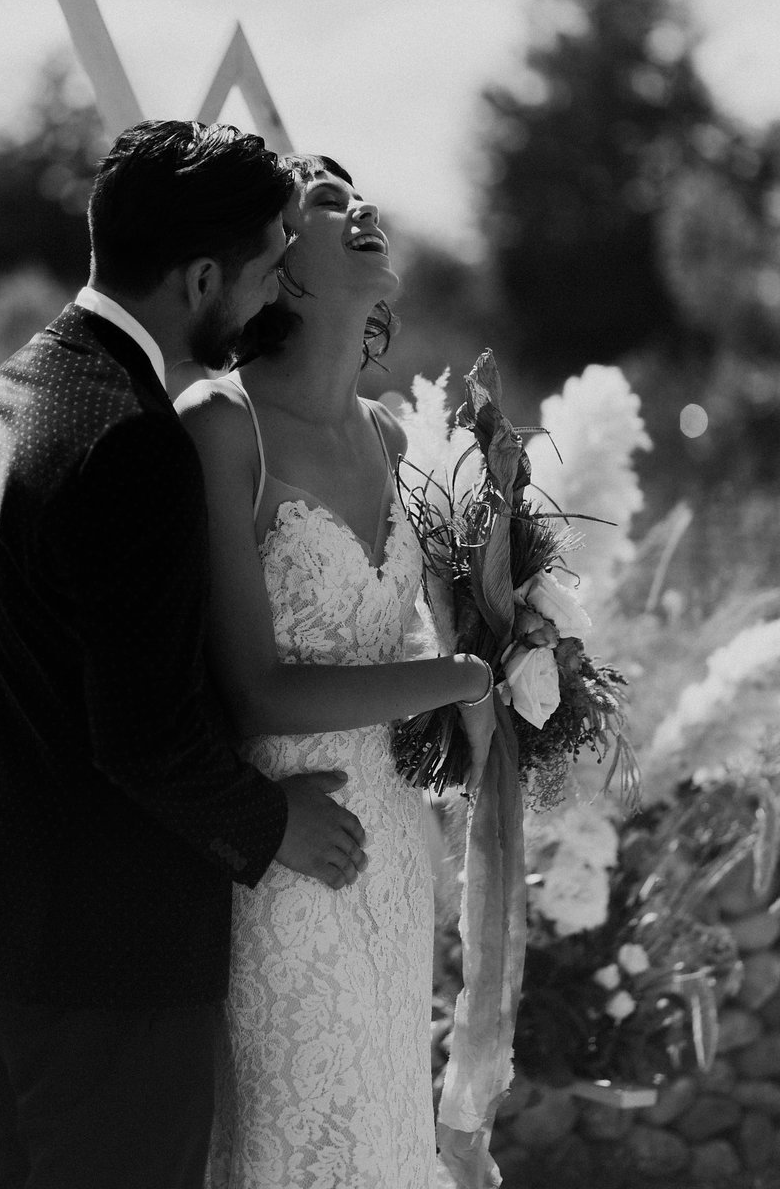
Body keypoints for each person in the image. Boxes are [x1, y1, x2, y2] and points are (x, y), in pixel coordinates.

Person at [0, 122, 371, 1189]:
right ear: (204, 274)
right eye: (268, 270)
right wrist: (276, 823)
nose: (273, 299)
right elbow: (141, 733)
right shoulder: (132, 440)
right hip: (104, 963)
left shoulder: (13, 390)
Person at [177, 155, 495, 1189]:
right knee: (300, 1139)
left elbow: (400, 649)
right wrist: (458, 679)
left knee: (384, 1133)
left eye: (360, 193)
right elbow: (255, 690)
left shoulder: (400, 436)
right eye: (324, 201)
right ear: (281, 262)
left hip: (397, 838)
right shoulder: (220, 429)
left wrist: (495, 677)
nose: (361, 207)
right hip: (286, 847)